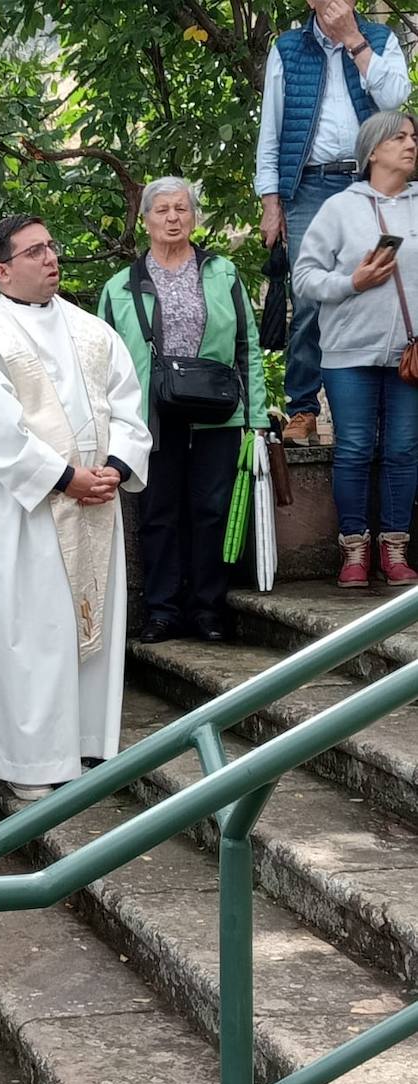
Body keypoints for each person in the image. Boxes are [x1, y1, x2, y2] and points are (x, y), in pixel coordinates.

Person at [0, 215, 152, 801]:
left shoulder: (92, 331)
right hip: (29, 515)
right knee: (31, 634)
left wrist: (114, 464)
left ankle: (85, 746)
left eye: (51, 247)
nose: (51, 257)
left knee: (85, 628)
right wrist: (65, 479)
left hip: (95, 505)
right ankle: (29, 763)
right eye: (34, 251)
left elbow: (127, 405)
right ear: (2, 270)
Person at [99, 178, 269, 643]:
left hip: (217, 412)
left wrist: (256, 416)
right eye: (162, 210)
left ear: (193, 217)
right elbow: (102, 363)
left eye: (181, 209)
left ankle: (208, 610)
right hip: (150, 416)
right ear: (146, 220)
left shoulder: (223, 273)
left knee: (212, 511)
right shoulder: (120, 287)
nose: (172, 217)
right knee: (157, 513)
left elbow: (246, 346)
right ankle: (162, 611)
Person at [256, 0, 410, 446]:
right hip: (308, 187)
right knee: (309, 299)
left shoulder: (380, 40)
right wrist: (272, 201)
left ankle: (372, 414)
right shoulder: (286, 48)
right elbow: (273, 129)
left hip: (372, 182)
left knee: (377, 293)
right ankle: (302, 410)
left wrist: (354, 41)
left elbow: (395, 98)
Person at [294, 111, 418, 587]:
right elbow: (304, 279)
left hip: (410, 354)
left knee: (405, 450)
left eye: (413, 137)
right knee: (353, 449)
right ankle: (353, 551)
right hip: (349, 353)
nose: (411, 144)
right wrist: (353, 281)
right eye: (400, 137)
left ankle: (396, 549)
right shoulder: (339, 208)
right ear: (373, 150)